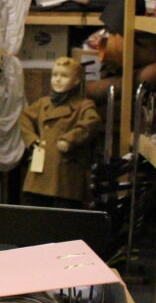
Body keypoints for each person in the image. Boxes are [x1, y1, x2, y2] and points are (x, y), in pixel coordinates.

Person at [19, 56, 101, 208]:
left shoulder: (83, 105)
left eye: (64, 76)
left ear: (76, 81)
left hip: (64, 171)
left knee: (63, 213)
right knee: (34, 207)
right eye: (55, 75)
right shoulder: (44, 103)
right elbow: (24, 118)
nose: (57, 80)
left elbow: (92, 122)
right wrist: (31, 139)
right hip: (40, 165)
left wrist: (70, 138)